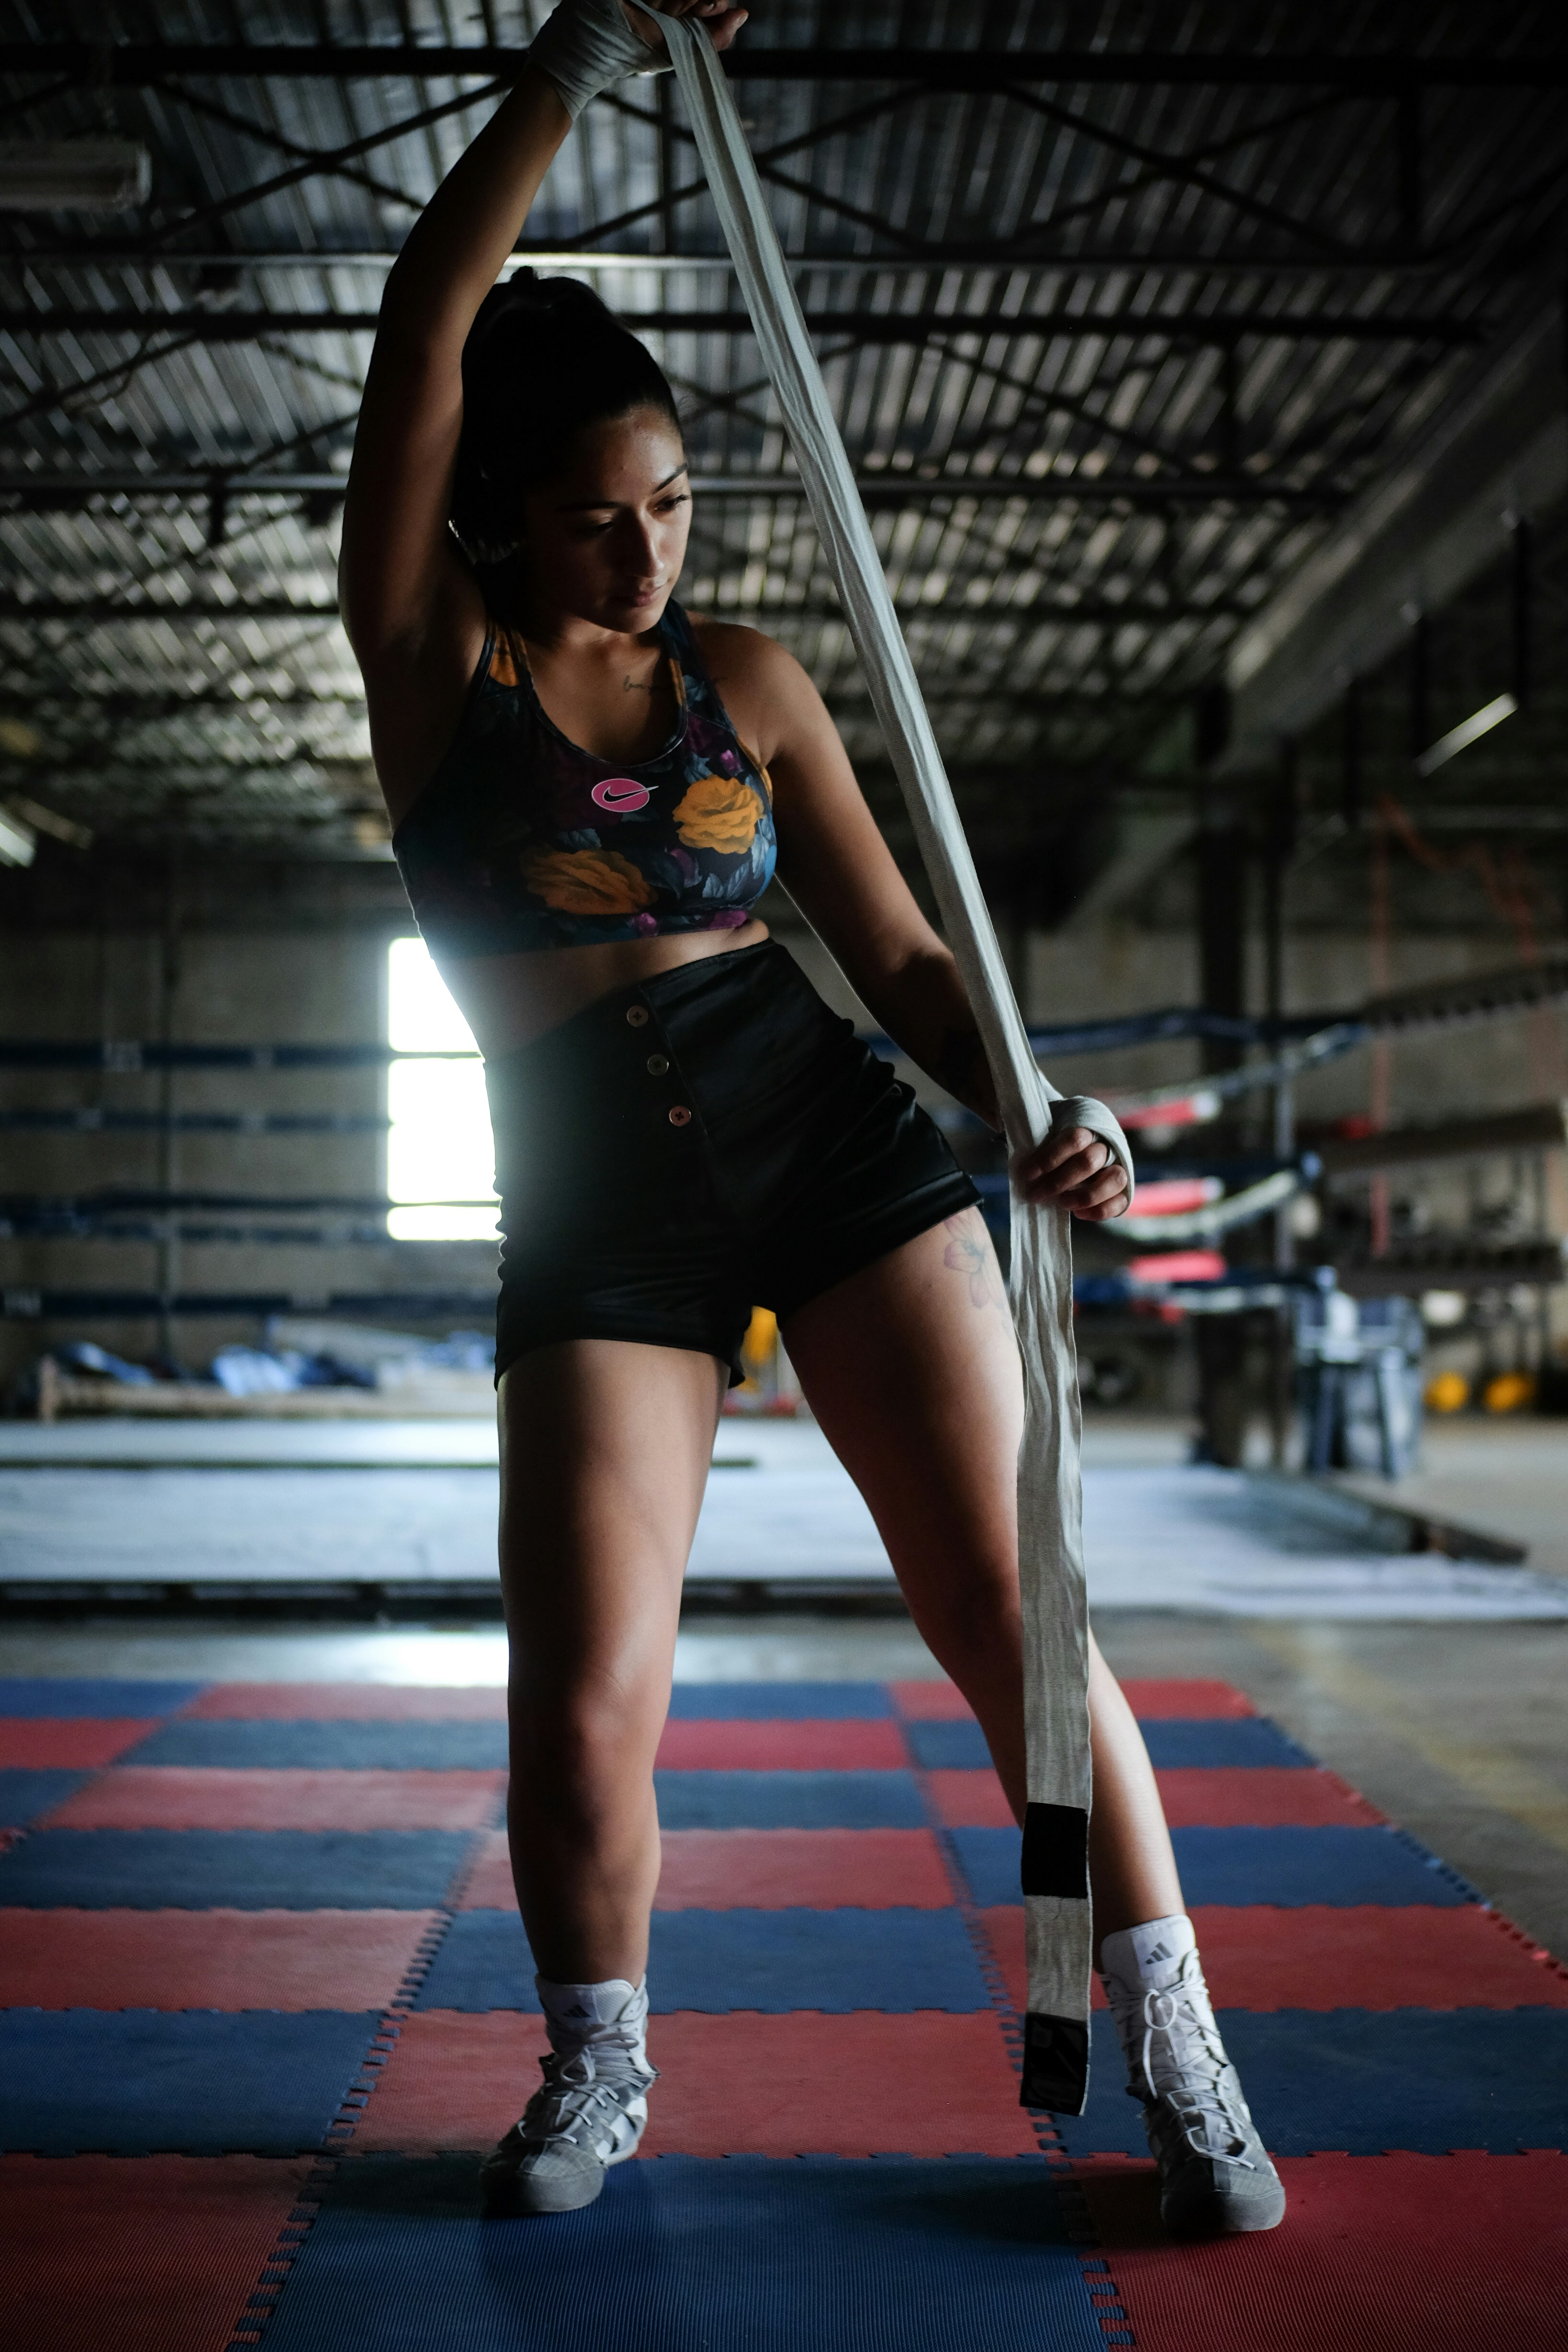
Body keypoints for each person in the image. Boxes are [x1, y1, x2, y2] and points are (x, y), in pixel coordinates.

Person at [339, 0, 1286, 2242]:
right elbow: (420, 316)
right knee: (586, 1697)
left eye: (671, 509)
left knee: (1020, 1628)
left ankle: (1173, 2046)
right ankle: (598, 2065)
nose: (645, 560)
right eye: (592, 525)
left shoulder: (744, 684)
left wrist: (1030, 1104)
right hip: (597, 1205)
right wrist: (574, 50)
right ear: (490, 519)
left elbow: (908, 959)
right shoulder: (427, 662)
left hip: (838, 1143)